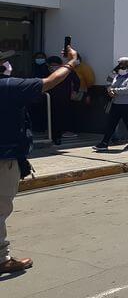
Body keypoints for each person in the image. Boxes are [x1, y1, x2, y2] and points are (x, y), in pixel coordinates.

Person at [1, 46, 80, 274]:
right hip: (4, 158)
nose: (8, 65)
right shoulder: (9, 86)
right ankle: (1, 258)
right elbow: (52, 80)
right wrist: (72, 62)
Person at [94, 57, 128, 151]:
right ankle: (104, 143)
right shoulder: (117, 75)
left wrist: (114, 90)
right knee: (111, 123)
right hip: (116, 104)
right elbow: (109, 81)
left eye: (122, 65)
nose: (120, 67)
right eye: (120, 65)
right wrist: (109, 90)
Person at [45, 55, 80, 145]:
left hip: (64, 97)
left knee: (60, 116)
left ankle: (57, 137)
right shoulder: (45, 72)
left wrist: (75, 91)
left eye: (55, 65)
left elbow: (77, 81)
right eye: (51, 65)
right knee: (52, 117)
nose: (53, 67)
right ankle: (52, 135)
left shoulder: (67, 71)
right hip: (49, 97)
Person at [69, 53, 96, 135]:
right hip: (70, 93)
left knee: (77, 112)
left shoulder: (84, 67)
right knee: (72, 112)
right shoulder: (70, 68)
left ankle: (75, 131)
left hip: (81, 92)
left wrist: (88, 94)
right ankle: (72, 130)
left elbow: (90, 81)